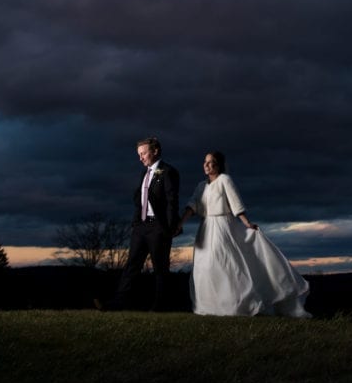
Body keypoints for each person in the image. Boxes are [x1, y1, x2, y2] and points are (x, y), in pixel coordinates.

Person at [177, 151, 310, 318]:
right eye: (205, 162)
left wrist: (247, 223)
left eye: (211, 162)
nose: (206, 165)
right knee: (205, 266)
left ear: (218, 165)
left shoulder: (225, 180)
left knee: (223, 263)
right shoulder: (201, 186)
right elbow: (192, 206)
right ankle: (211, 305)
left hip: (223, 226)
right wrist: (180, 223)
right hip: (206, 228)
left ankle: (236, 304)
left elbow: (235, 202)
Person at [109, 136, 180, 311]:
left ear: (155, 151)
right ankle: (118, 304)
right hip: (141, 227)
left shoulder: (168, 171)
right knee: (131, 265)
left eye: (143, 153)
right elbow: (140, 200)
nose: (140, 158)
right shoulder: (144, 173)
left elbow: (172, 201)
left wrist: (170, 228)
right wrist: (136, 223)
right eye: (138, 154)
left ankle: (160, 306)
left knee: (160, 268)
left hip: (158, 228)